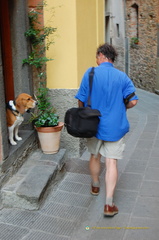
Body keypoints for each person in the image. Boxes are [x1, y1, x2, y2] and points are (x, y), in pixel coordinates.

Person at [75, 43, 138, 217]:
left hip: (93, 125)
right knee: (111, 162)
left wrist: (84, 112)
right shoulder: (122, 77)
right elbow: (133, 101)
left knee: (95, 155)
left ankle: (95, 185)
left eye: (96, 56)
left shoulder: (90, 73)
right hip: (115, 126)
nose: (96, 59)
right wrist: (121, 107)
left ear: (101, 55)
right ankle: (109, 204)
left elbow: (80, 100)